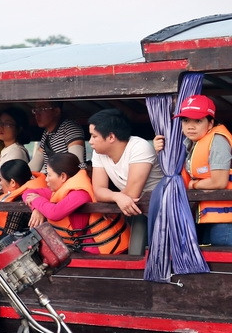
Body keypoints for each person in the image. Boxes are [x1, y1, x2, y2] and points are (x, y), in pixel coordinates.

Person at [154, 94, 232, 246]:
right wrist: (160, 151)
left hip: (226, 220)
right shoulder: (189, 143)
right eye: (185, 120)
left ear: (210, 123)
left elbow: (219, 181)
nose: (190, 126)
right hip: (206, 216)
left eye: (198, 121)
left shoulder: (218, 141)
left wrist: (193, 185)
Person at [23, 153, 129, 254]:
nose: (46, 179)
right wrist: (37, 209)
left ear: (63, 176)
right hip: (84, 247)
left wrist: (38, 202)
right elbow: (27, 193)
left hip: (105, 248)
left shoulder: (80, 193)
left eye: (49, 175)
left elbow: (54, 213)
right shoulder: (59, 190)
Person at [89, 108, 162, 217]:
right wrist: (116, 197)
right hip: (138, 210)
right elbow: (99, 190)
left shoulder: (139, 147)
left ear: (111, 137)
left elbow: (132, 194)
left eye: (94, 136)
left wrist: (111, 197)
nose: (90, 141)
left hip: (163, 206)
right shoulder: (99, 152)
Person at [0, 159, 47, 239]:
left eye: (2, 179)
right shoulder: (41, 191)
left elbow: (8, 239)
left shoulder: (18, 204)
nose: (0, 183)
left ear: (13, 183)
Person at [29, 101, 86, 174]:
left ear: (56, 111)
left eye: (42, 109)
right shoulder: (46, 134)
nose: (37, 114)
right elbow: (34, 166)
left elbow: (76, 164)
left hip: (69, 182)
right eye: (35, 110)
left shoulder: (70, 128)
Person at [0, 108, 31, 191]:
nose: (0, 127)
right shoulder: (6, 149)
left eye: (7, 124)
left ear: (19, 129)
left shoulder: (17, 151)